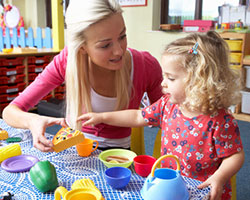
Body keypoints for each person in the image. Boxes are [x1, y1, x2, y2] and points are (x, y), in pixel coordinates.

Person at [78, 31, 245, 200]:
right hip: (168, 186)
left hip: (203, 190)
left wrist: (220, 176)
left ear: (198, 81)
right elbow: (137, 117)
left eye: (170, 78)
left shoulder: (220, 120)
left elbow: (235, 155)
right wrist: (102, 117)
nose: (162, 83)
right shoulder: (167, 105)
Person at [2, 0, 163, 152]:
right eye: (105, 45)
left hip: (118, 155)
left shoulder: (146, 65)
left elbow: (168, 116)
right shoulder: (67, 61)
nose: (119, 51)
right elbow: (10, 112)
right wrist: (32, 120)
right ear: (82, 47)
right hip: (72, 148)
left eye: (122, 36)